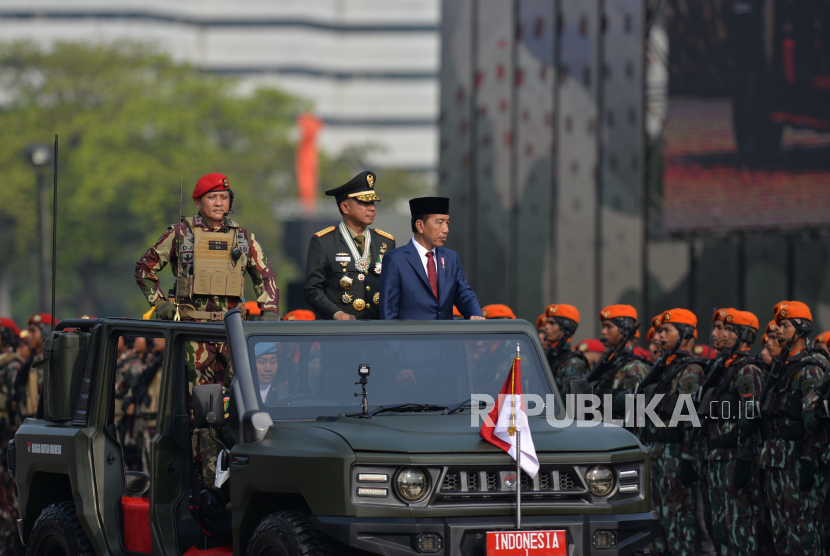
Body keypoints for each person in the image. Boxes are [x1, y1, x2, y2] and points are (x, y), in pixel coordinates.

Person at [134, 173, 279, 493]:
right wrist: (158, 304)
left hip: (231, 335)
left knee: (238, 404)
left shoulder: (243, 237)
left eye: (224, 198)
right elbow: (144, 269)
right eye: (212, 198)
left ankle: (236, 476)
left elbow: (265, 278)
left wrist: (269, 314)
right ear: (199, 201)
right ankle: (199, 481)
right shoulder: (180, 234)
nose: (219, 203)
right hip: (193, 334)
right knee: (198, 410)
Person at [755, 301, 825, 556]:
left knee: (802, 532)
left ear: (802, 328)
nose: (778, 329)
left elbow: (816, 421)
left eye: (784, 325)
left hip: (797, 461)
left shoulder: (810, 370)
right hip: (775, 459)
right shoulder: (780, 370)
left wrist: (808, 459)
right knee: (781, 533)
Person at [699, 309, 764, 556]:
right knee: (719, 530)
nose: (716, 333)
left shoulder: (747, 371)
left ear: (742, 335)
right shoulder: (722, 369)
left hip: (734, 460)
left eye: (724, 329)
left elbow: (752, 421)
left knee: (739, 530)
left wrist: (745, 459)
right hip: (715, 459)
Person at [643, 309, 706, 556]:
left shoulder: (690, 370)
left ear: (685, 335)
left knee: (678, 523)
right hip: (657, 452)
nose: (658, 336)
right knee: (658, 523)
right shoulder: (664, 369)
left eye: (665, 331)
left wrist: (689, 459)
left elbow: (690, 419)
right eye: (658, 331)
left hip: (675, 455)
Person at [304, 171, 395, 320]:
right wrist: (336, 314)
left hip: (378, 331)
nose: (372, 208)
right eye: (365, 203)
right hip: (340, 332)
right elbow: (312, 290)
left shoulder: (386, 242)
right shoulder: (323, 241)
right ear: (345, 207)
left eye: (372, 203)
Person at [379, 197, 483, 320]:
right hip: (412, 338)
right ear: (420, 226)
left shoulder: (450, 258)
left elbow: (464, 294)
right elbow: (389, 314)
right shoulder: (395, 260)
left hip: (446, 337)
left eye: (447, 223)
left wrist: (475, 315)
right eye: (439, 223)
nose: (446, 229)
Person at [590, 305, 649, 421]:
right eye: (603, 327)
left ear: (625, 329)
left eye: (608, 327)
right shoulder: (609, 363)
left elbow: (637, 403)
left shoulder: (634, 365)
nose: (603, 332)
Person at [542, 304, 589, 395]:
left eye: (551, 323)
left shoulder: (573, 363)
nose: (546, 327)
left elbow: (573, 403)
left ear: (565, 327)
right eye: (547, 323)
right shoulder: (548, 356)